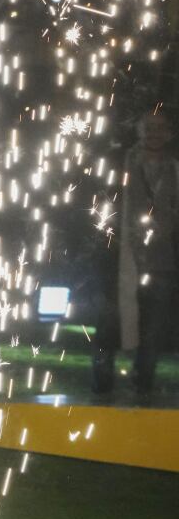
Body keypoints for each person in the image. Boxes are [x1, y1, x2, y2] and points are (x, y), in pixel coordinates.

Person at [91, 109, 177, 404]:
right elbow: (101, 203)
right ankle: (102, 387)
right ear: (139, 130)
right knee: (109, 324)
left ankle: (144, 388)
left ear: (169, 133)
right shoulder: (120, 163)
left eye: (160, 128)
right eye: (149, 126)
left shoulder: (175, 167)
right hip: (120, 259)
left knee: (153, 331)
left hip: (162, 261)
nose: (154, 133)